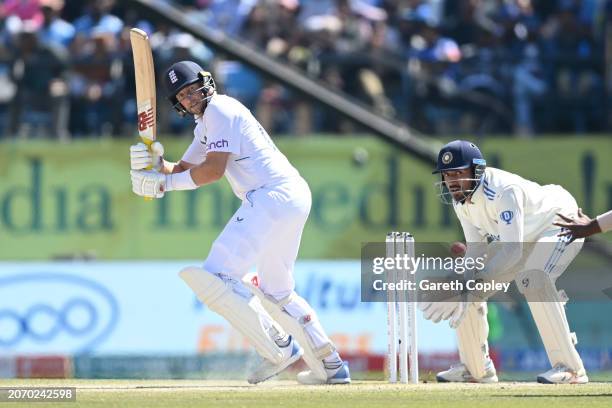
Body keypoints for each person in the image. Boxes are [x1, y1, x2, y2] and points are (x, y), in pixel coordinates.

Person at [129, 61, 350, 385]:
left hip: (270, 195)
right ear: (178, 104)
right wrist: (157, 166)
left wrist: (162, 185)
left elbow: (212, 172)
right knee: (276, 290)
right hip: (291, 195)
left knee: (217, 275)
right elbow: (183, 169)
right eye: (183, 96)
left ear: (207, 83)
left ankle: (279, 348)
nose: (191, 98)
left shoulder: (219, 110)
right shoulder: (207, 123)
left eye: (192, 90)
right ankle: (331, 365)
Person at [420, 140, 588, 384]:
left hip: (559, 221)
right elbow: (476, 251)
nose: (452, 181)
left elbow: (512, 252)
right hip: (522, 235)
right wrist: (461, 281)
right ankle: (476, 370)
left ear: (476, 171)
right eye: (447, 174)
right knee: (467, 286)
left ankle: (571, 369)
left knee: (534, 279)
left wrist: (470, 282)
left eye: (459, 173)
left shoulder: (503, 191)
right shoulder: (461, 201)